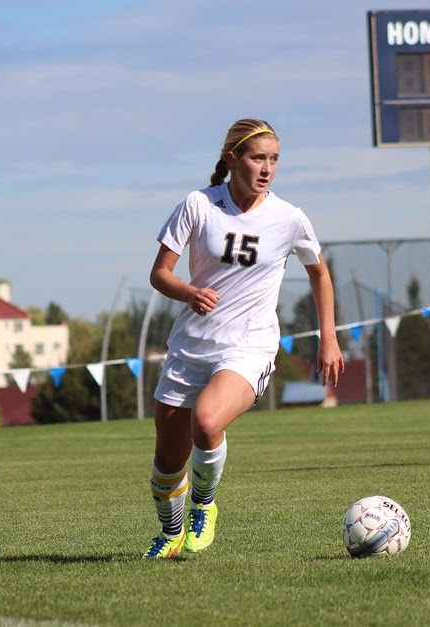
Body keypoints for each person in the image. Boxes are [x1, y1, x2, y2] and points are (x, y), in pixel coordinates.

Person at [143, 118, 344, 558]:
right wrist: (188, 291)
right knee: (164, 469)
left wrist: (328, 336)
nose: (267, 167)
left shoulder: (289, 218)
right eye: (258, 158)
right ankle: (171, 532)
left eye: (274, 159)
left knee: (208, 421)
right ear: (232, 159)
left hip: (249, 344)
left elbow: (319, 272)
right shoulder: (197, 205)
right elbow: (160, 273)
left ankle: (205, 507)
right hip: (192, 345)